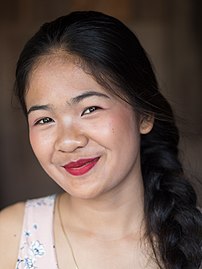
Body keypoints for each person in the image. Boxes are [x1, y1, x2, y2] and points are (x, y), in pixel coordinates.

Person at [0, 10, 201, 269]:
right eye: (45, 120)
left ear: (144, 115)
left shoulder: (194, 240)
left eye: (90, 109)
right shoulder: (10, 239)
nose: (68, 141)